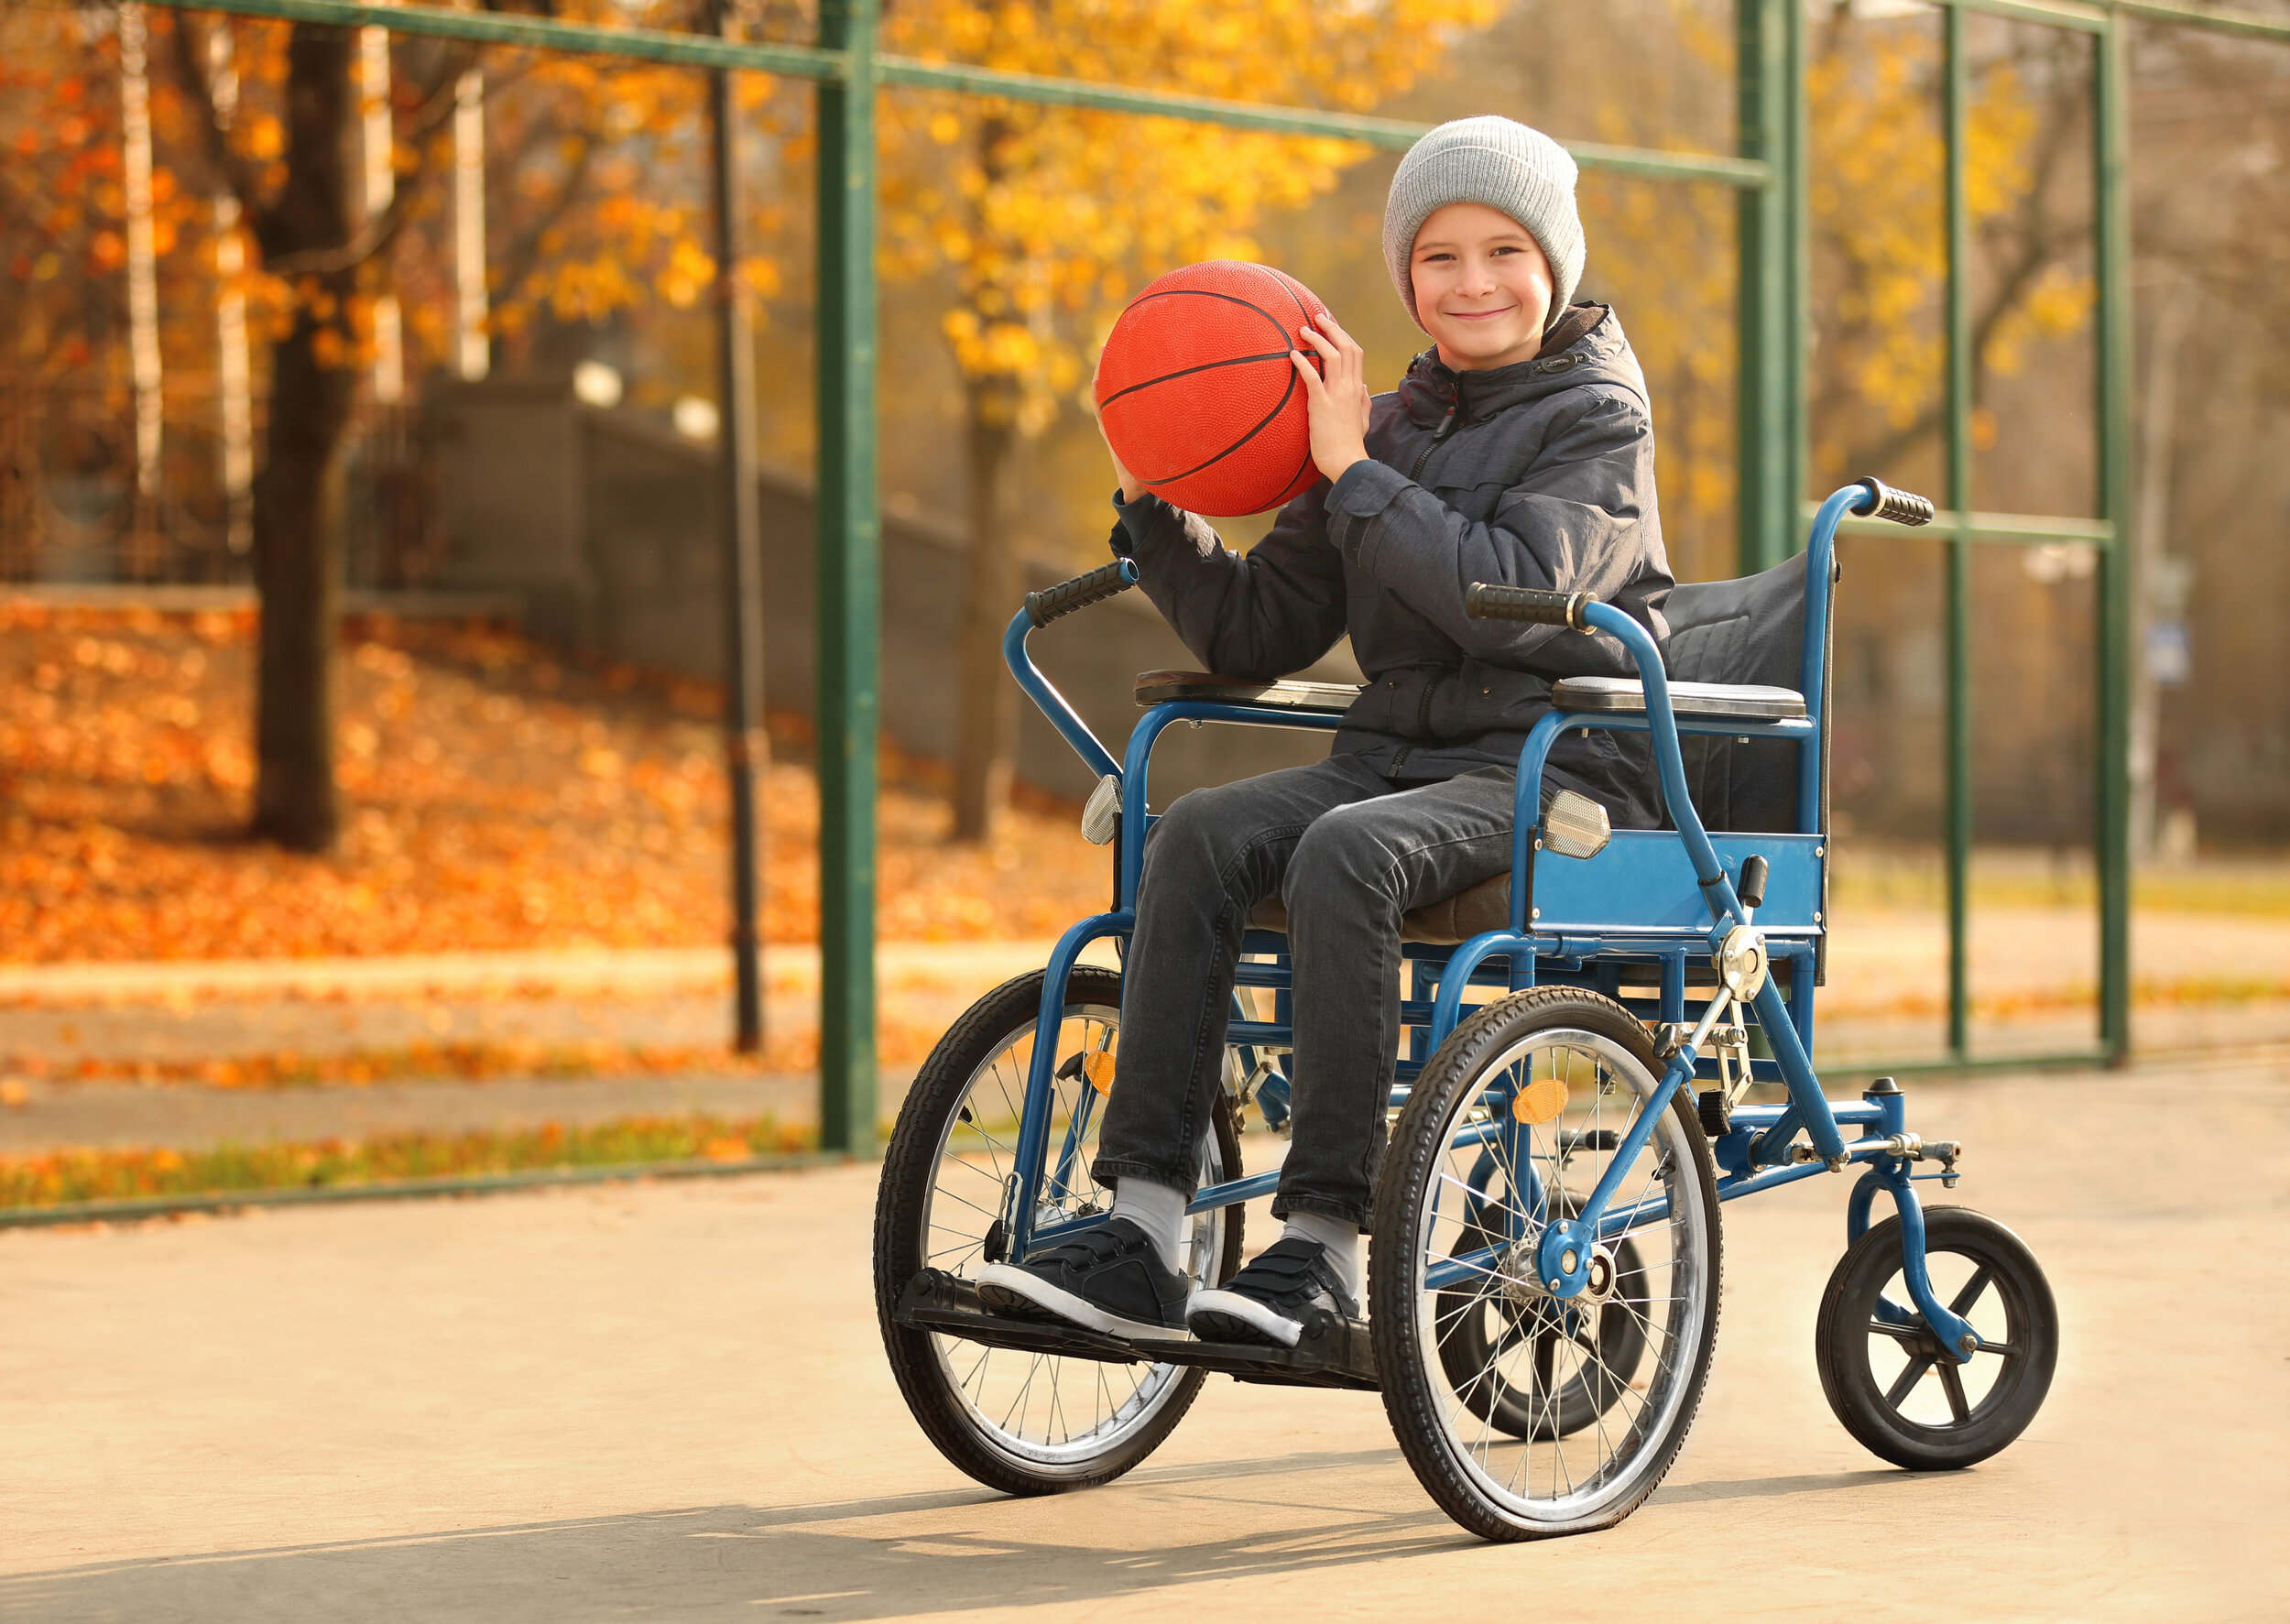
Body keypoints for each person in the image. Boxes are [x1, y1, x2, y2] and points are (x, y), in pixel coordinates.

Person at [977, 115, 1674, 1348]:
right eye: (1440, 256)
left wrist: (1351, 469)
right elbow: (1258, 628)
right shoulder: (1387, 420)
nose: (1472, 283)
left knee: (1347, 850)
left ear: (1553, 265)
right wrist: (1154, 500)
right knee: (1198, 828)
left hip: (1548, 765)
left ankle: (1325, 1246)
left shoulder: (1600, 420)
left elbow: (1506, 595)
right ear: (1406, 274)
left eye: (1503, 251)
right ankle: (1145, 1230)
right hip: (1395, 756)